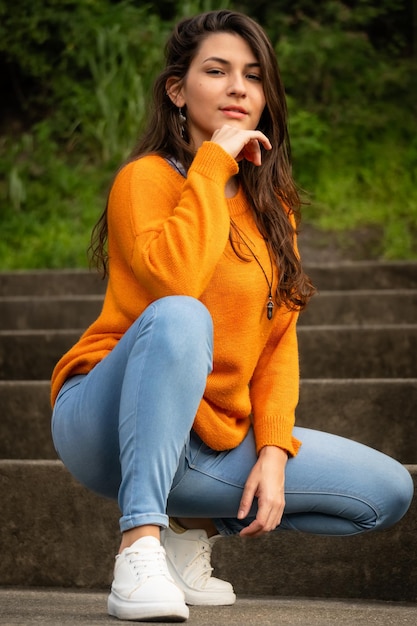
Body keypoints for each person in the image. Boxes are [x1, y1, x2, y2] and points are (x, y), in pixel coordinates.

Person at [50, 9, 413, 623]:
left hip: (206, 441)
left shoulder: (274, 211)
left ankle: (187, 530)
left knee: (387, 492)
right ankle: (138, 545)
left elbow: (279, 344)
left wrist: (273, 453)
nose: (238, 88)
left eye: (253, 75)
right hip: (104, 419)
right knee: (183, 317)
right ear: (177, 89)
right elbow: (176, 284)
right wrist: (213, 162)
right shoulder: (144, 181)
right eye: (216, 71)